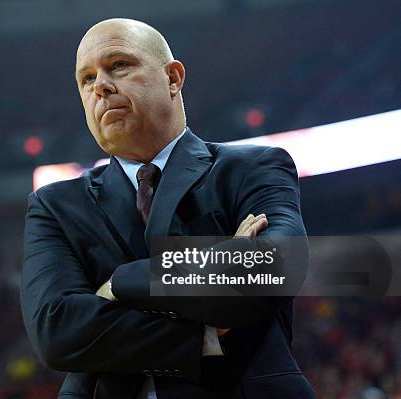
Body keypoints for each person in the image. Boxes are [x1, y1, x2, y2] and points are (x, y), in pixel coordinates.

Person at [21, 18, 316, 398]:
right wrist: (206, 330)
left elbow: (274, 268)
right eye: (87, 79)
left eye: (119, 66)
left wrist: (118, 284)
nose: (102, 86)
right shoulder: (54, 205)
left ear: (173, 78)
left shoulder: (251, 168)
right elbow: (56, 332)